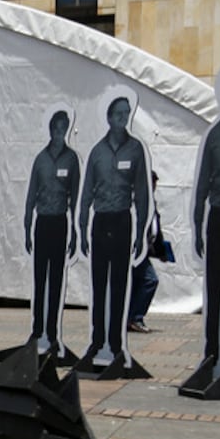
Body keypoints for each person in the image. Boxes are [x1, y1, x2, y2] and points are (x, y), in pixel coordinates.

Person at [78, 94, 149, 369]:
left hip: (122, 220)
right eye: (119, 113)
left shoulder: (135, 150)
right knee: (99, 285)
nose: (123, 118)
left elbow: (141, 193)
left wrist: (142, 231)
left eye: (127, 113)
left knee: (119, 284)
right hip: (101, 221)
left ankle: (116, 342)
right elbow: (86, 193)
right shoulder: (97, 151)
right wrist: (82, 228)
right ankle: (97, 340)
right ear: (108, 117)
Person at [23, 109, 81, 356]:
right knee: (40, 280)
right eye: (55, 129)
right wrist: (27, 228)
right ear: (50, 130)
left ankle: (52, 332)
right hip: (42, 223)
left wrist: (77, 232)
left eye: (62, 130)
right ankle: (37, 331)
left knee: (56, 280)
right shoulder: (41, 159)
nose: (58, 134)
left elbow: (76, 197)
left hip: (60, 223)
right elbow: (30, 195)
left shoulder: (71, 159)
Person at [193, 70, 220, 379]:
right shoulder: (215, 136)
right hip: (218, 216)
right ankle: (212, 351)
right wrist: (197, 225)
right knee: (214, 289)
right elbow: (201, 187)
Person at [129, 170, 165, 333]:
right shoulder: (136, 201)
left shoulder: (151, 202)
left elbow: (155, 229)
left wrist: (161, 250)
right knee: (150, 280)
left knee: (135, 283)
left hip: (143, 250)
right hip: (135, 250)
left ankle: (129, 319)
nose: (155, 187)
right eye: (152, 183)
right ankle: (135, 318)